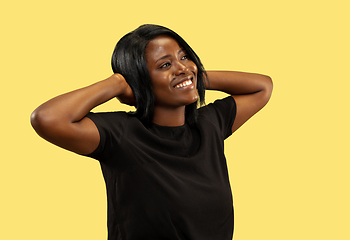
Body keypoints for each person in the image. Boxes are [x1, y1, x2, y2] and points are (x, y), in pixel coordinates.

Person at [31, 24, 273, 240]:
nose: (182, 67)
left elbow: (262, 87)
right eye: (165, 64)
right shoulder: (121, 134)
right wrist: (117, 83)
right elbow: (47, 118)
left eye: (185, 56)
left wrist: (194, 76)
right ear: (139, 80)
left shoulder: (209, 124)